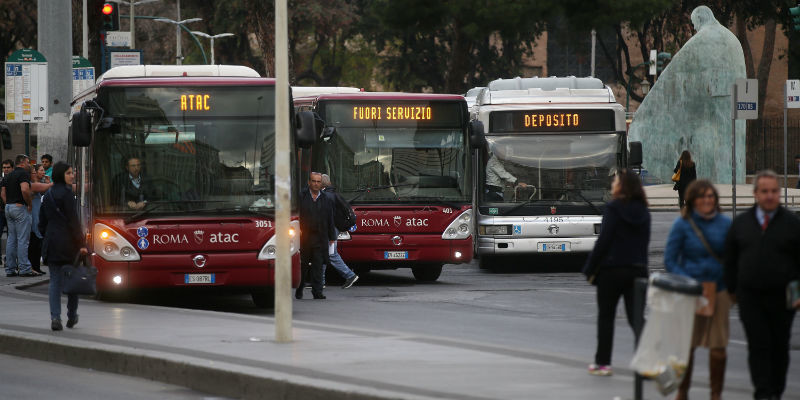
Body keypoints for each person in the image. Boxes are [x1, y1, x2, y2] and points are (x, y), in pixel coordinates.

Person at [724, 169, 800, 400]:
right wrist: (732, 290)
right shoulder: (741, 224)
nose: (769, 196)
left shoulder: (791, 223)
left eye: (774, 191)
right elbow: (730, 259)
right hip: (750, 297)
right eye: (765, 191)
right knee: (758, 345)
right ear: (756, 194)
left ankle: (776, 390)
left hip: (782, 297)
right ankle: (763, 392)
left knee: (779, 346)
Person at [664, 180, 731, 400]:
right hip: (691, 292)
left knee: (718, 347)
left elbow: (733, 257)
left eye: (711, 196)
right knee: (688, 347)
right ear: (692, 200)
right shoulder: (683, 224)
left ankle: (716, 393)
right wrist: (688, 281)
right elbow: (670, 260)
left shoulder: (724, 224)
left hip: (718, 290)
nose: (707, 200)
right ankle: (682, 391)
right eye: (702, 197)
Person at [582, 168, 650, 376]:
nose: (612, 184)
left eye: (615, 181)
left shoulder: (613, 208)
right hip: (637, 271)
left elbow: (604, 241)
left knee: (606, 318)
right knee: (637, 318)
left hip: (612, 271)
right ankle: (646, 364)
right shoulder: (644, 211)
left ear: (622, 186)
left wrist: (590, 267)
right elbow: (644, 244)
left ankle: (603, 363)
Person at [39, 162, 88, 331]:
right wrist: (82, 244)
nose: (72, 175)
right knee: (72, 281)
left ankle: (55, 317)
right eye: (69, 173)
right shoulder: (67, 194)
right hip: (68, 244)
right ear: (62, 175)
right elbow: (74, 222)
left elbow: (41, 223)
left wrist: (49, 233)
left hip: (52, 242)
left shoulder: (48, 194)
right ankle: (72, 315)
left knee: (54, 281)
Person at [296, 172, 337, 300]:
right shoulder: (301, 196)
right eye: (313, 181)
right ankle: (299, 289)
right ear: (309, 182)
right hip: (304, 238)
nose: (316, 184)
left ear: (321, 184)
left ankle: (317, 292)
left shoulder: (326, 198)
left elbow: (330, 218)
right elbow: (295, 214)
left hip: (320, 238)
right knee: (302, 266)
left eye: (318, 182)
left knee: (318, 266)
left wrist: (332, 237)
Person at [321, 174, 359, 289]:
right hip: (334, 228)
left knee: (331, 254)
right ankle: (319, 281)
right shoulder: (334, 194)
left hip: (330, 228)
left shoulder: (326, 196)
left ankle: (350, 275)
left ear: (321, 183)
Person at [1, 154, 35, 277]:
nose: (29, 165)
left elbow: (3, 192)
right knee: (22, 240)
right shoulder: (23, 174)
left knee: (11, 239)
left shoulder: (8, 176)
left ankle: (10, 268)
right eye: (27, 162)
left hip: (9, 207)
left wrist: (8, 204)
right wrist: (29, 203)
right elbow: (25, 190)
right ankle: (24, 268)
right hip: (20, 207)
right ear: (22, 163)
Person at [28, 164, 53, 275]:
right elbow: (43, 188)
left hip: (39, 214)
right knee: (34, 241)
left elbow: (48, 193)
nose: (43, 172)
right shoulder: (32, 184)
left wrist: (47, 182)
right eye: (41, 170)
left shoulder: (40, 183)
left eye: (44, 170)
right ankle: (33, 266)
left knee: (38, 241)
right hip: (33, 215)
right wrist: (51, 182)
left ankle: (36, 266)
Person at [0, 159, 13, 267]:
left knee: (11, 236)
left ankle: (8, 260)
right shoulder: (1, 180)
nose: (6, 169)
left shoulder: (15, 179)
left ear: (12, 168)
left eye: (8, 167)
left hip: (10, 211)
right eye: (4, 167)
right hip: (1, 212)